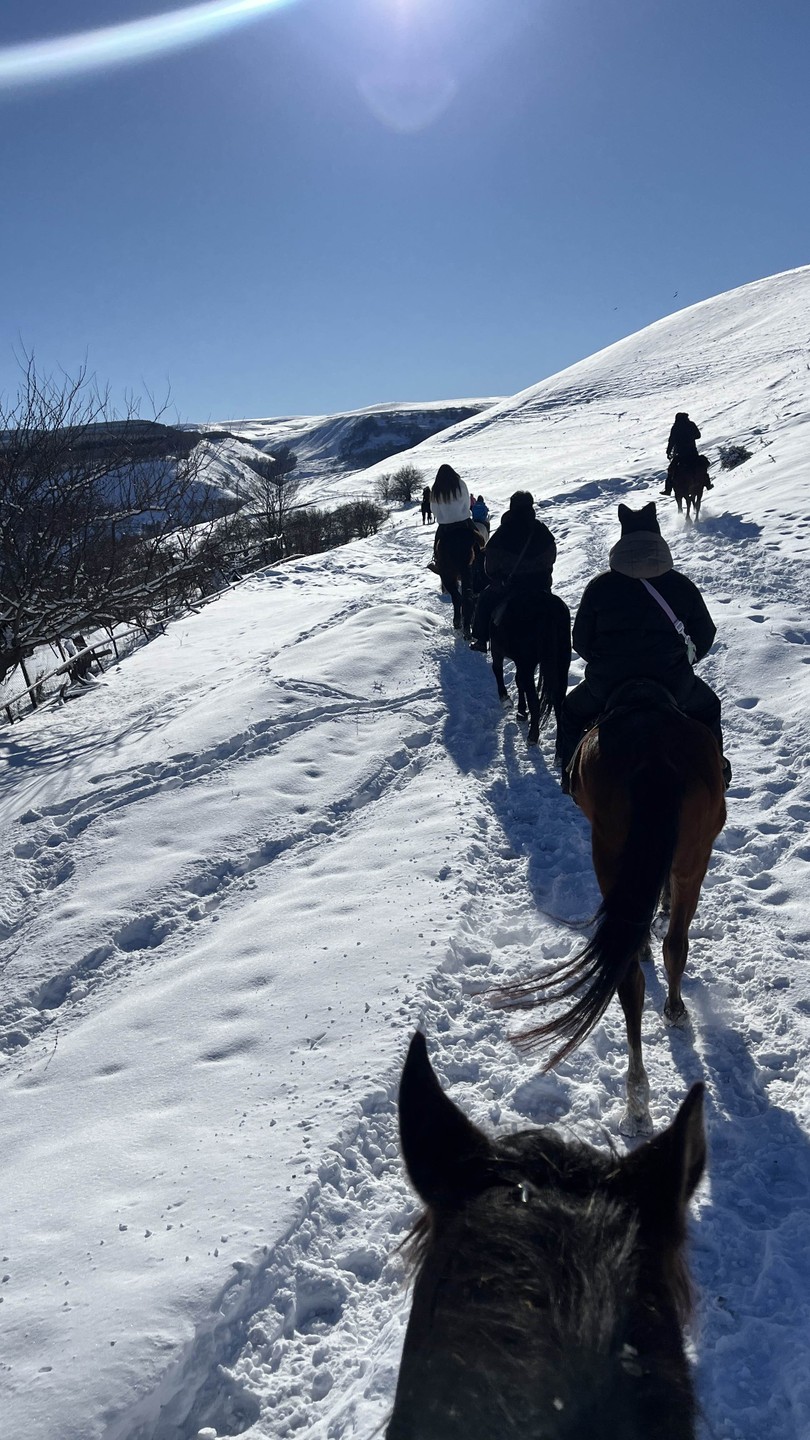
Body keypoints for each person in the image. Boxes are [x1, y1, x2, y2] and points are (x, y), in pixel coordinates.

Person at [557, 501, 730, 791]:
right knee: (709, 707)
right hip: (673, 680)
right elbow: (705, 633)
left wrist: (603, 660)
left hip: (608, 681)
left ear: (623, 538)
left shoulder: (600, 587)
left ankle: (570, 779)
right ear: (657, 537)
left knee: (572, 712)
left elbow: (581, 641)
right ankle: (716, 775)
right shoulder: (681, 585)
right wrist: (686, 658)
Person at [469, 491, 557, 653]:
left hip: (510, 586)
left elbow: (491, 565)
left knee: (485, 599)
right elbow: (551, 556)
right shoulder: (541, 530)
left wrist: (499, 577)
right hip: (541, 584)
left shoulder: (504, 531)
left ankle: (481, 640)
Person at [429, 463, 476, 568]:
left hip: (445, 526)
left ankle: (438, 564)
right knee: (479, 542)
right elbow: (467, 503)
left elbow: (434, 509)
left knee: (437, 549)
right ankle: (481, 562)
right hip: (464, 522)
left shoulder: (436, 487)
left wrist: (443, 517)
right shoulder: (460, 484)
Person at [662, 411, 713, 495]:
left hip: (680, 454)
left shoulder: (676, 427)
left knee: (671, 470)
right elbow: (698, 435)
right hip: (692, 453)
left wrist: (668, 452)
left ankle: (668, 490)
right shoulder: (691, 424)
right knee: (702, 466)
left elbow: (671, 440)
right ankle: (708, 484)